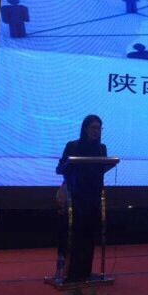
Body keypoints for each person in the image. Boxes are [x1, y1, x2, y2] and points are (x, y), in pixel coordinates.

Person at [56, 115, 108, 282]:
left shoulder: (101, 149)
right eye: (93, 128)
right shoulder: (72, 146)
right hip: (75, 197)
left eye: (99, 128)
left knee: (89, 235)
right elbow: (60, 168)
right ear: (85, 129)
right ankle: (68, 272)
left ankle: (85, 272)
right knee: (73, 235)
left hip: (93, 197)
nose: (96, 131)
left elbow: (102, 168)